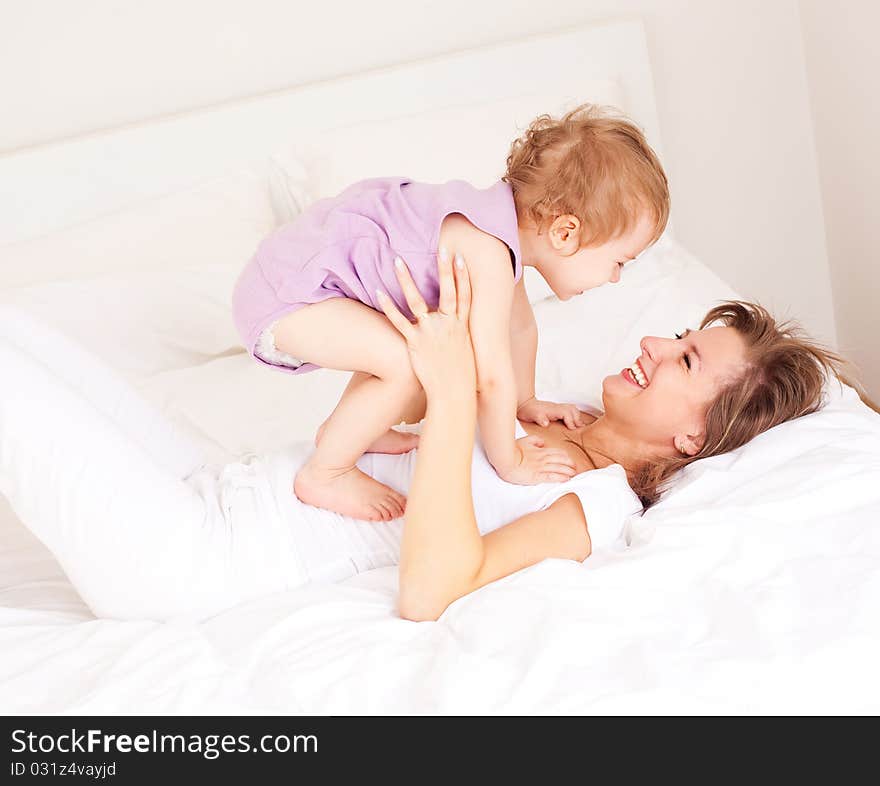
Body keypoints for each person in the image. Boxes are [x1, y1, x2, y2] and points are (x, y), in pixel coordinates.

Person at [0, 254, 857, 622]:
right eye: (673, 335)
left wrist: (451, 399)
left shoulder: (591, 505)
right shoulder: (555, 412)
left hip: (197, 560)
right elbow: (503, 312)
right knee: (22, 335)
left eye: (684, 358)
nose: (651, 345)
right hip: (218, 486)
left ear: (693, 432)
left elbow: (436, 589)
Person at [231, 104, 670, 521]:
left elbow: (520, 329)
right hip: (288, 297)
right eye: (619, 262)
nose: (614, 278)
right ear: (565, 231)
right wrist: (510, 459)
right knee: (405, 366)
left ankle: (353, 428)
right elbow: (490, 373)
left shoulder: (497, 235)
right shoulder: (487, 253)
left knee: (411, 344)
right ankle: (325, 472)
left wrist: (525, 402)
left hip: (293, 281)